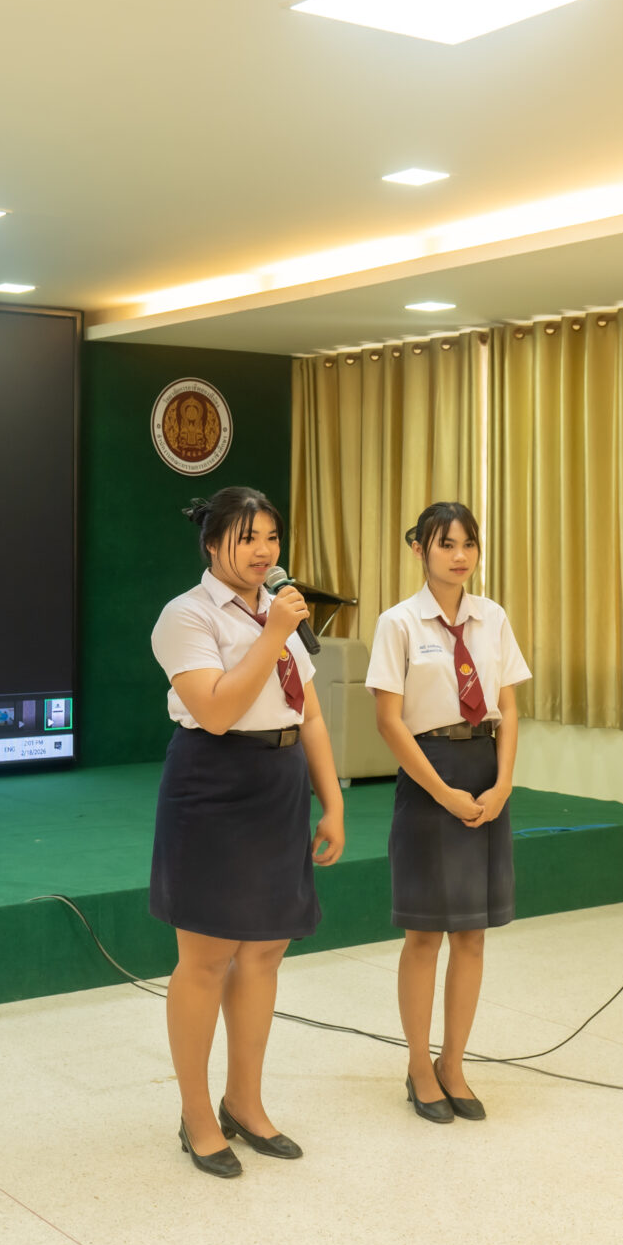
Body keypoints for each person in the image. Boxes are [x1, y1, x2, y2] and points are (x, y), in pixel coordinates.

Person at [149, 486, 346, 1177]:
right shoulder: (186, 615)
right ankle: (196, 1115)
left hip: (280, 785)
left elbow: (310, 714)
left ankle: (245, 1101)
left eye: (272, 536)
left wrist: (332, 802)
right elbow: (216, 711)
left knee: (263, 954)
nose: (264, 550)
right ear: (211, 545)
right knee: (206, 959)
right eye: (247, 537)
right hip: (214, 785)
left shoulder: (277, 610)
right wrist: (270, 633)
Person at [367, 502, 530, 1124]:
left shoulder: (493, 617)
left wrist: (504, 783)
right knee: (424, 934)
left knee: (472, 932)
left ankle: (453, 1063)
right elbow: (389, 721)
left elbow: (508, 708)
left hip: (485, 772)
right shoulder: (399, 623)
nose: (460, 556)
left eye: (469, 544)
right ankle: (417, 1066)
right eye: (446, 544)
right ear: (419, 549)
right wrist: (441, 792)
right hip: (428, 774)